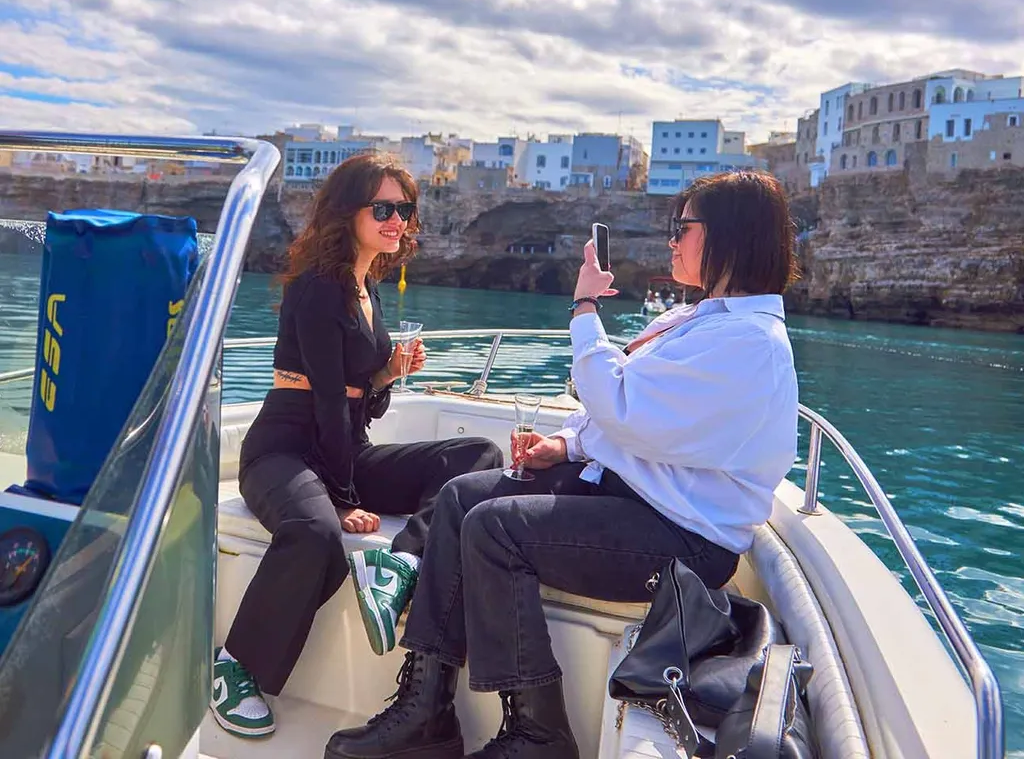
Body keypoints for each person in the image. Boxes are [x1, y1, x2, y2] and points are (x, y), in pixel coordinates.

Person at [324, 169, 801, 759]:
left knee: (496, 530)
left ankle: (538, 734)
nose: (672, 240)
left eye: (683, 227)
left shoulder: (749, 342)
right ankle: (426, 709)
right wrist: (570, 446)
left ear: (732, 235)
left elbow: (624, 405)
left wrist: (583, 307)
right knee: (461, 496)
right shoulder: (698, 321)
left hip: (683, 536)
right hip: (638, 496)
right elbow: (636, 413)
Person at [210, 153, 503, 739]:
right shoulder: (319, 287)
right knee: (315, 533)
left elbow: (356, 405)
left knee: (475, 457)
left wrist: (387, 376)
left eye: (406, 210)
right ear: (349, 212)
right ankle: (234, 668)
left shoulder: (366, 287)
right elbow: (321, 401)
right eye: (385, 208)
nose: (399, 220)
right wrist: (342, 501)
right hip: (284, 450)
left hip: (341, 444)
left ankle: (400, 563)